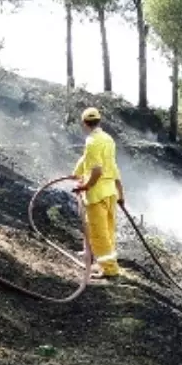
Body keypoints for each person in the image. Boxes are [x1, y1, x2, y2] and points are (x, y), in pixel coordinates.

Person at [72, 106, 124, 279]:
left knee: (99, 234)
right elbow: (110, 165)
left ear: (84, 123)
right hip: (110, 192)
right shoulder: (108, 139)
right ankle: (108, 264)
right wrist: (121, 193)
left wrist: (84, 186)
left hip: (97, 195)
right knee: (108, 232)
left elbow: (97, 170)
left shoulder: (92, 141)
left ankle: (109, 270)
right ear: (99, 121)